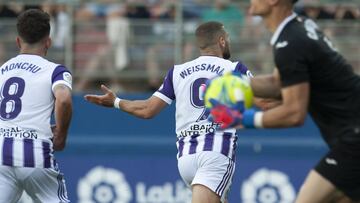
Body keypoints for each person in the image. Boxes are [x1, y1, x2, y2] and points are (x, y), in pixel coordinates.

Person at [209, 0, 360, 202]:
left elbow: (294, 113)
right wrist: (240, 83)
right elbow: (280, 81)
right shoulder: (297, 28)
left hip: (354, 140)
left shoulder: (290, 42)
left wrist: (244, 119)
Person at [85, 21, 252, 203]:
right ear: (221, 41)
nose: (229, 42)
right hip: (214, 152)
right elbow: (263, 97)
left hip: (186, 158)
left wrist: (116, 102)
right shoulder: (235, 69)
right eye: (227, 39)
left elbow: (147, 110)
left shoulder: (178, 72)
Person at [0, 9, 72, 203]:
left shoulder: (3, 70)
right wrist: (61, 135)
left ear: (17, 41)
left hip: (1, 154)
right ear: (48, 42)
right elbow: (63, 99)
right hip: (34, 153)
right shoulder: (55, 71)